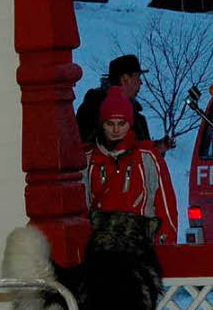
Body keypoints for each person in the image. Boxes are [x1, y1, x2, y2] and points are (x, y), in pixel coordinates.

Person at [84, 86, 178, 245]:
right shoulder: (89, 160)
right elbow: (82, 209)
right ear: (102, 124)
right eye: (109, 123)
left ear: (130, 123)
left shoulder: (147, 157)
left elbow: (166, 205)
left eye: (121, 123)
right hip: (102, 251)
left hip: (141, 249)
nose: (115, 130)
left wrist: (165, 246)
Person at [76, 55, 173, 153]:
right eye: (138, 77)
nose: (141, 82)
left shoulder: (138, 118)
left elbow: (144, 160)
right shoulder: (93, 109)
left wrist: (157, 148)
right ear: (125, 79)